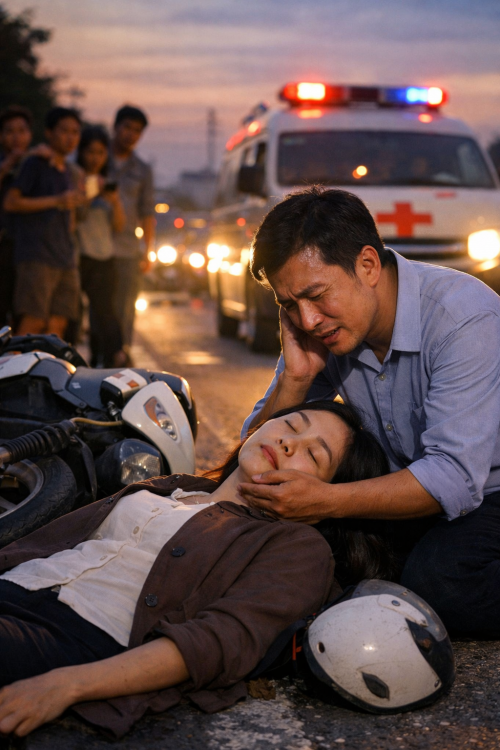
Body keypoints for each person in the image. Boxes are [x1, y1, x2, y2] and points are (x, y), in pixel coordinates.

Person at [0, 401, 393, 739]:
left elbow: (219, 639)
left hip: (75, 635)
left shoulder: (298, 547)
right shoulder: (172, 486)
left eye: (313, 455)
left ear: (326, 496)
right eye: (290, 424)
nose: (288, 443)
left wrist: (66, 685)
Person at [240, 186, 500, 638]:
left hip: (488, 490)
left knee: (438, 583)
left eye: (316, 295)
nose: (307, 320)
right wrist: (296, 378)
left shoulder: (462, 319)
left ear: (367, 265)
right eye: (289, 305)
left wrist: (326, 502)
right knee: (301, 558)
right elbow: (249, 451)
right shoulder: (323, 327)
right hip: (413, 486)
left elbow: (453, 479)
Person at [3, 107, 83, 339]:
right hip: (36, 254)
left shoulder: (68, 171)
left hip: (64, 256)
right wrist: (57, 200)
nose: (70, 138)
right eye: (64, 131)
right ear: (49, 133)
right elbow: (11, 202)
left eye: (75, 132)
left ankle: (45, 365)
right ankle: (15, 363)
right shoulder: (35, 163)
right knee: (33, 322)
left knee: (58, 324)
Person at [76, 126, 127, 367]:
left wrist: (114, 202)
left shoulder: (108, 184)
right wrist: (88, 194)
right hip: (78, 256)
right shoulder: (73, 179)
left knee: (104, 311)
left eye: (100, 152)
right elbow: (76, 216)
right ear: (81, 152)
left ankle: (112, 357)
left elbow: (119, 226)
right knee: (74, 311)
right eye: (90, 151)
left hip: (104, 257)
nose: (95, 158)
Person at [109, 105, 154, 360]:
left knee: (125, 307)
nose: (130, 134)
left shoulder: (142, 170)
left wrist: (147, 251)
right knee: (97, 307)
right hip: (93, 246)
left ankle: (121, 354)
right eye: (126, 127)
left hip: (127, 249)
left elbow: (147, 213)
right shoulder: (95, 157)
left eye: (137, 131)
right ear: (115, 127)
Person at [0, 105, 33, 328]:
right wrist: (8, 164)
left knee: (24, 312)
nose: (16, 137)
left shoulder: (37, 163)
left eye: (22, 131)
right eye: (10, 131)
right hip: (4, 244)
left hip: (29, 248)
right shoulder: (4, 164)